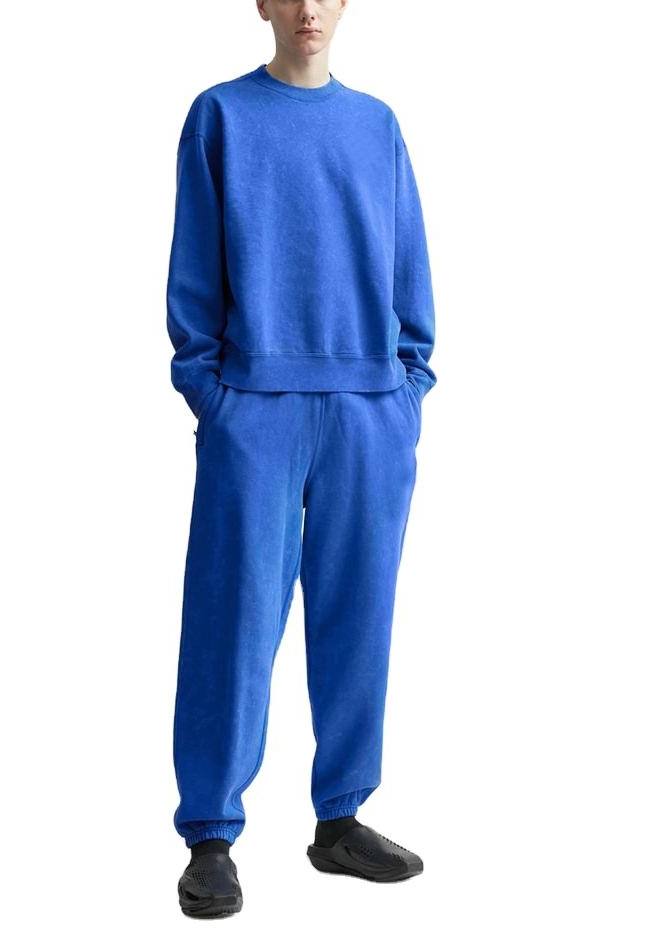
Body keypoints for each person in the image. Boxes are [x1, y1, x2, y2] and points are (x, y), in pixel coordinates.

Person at [166, 0, 437, 918]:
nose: (308, 9)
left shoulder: (377, 124)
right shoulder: (221, 115)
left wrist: (407, 389)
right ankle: (211, 834)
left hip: (369, 410)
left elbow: (408, 261)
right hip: (256, 408)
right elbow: (195, 267)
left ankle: (340, 819)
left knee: (360, 617)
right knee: (233, 620)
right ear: (261, 2)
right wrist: (213, 394)